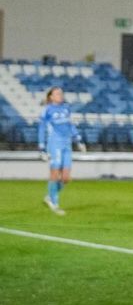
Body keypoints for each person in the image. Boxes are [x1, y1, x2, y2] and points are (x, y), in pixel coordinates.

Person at [38, 86, 82, 215]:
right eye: (57, 93)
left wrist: (78, 139)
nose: (60, 95)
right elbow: (41, 128)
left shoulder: (66, 108)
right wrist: (41, 147)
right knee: (55, 173)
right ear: (51, 96)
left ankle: (50, 196)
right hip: (54, 144)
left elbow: (70, 125)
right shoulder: (47, 110)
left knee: (66, 178)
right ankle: (54, 203)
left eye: (61, 93)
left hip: (67, 144)